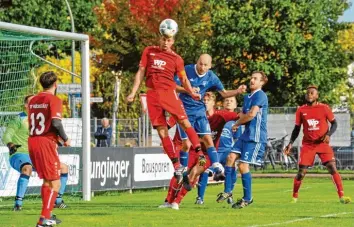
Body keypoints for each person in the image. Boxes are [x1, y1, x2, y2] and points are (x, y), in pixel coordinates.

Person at [126, 20, 202, 183]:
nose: (166, 42)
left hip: (168, 94)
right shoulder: (149, 51)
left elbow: (184, 79)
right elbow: (140, 72)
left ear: (173, 41)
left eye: (169, 40)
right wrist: (133, 92)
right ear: (159, 38)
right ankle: (177, 166)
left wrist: (191, 93)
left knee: (184, 122)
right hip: (152, 95)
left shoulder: (176, 59)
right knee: (162, 132)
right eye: (163, 39)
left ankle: (200, 153)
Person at [159, 92, 239, 209]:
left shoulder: (220, 115)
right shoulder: (193, 114)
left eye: (208, 100)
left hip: (205, 156)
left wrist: (247, 116)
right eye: (203, 100)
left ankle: (177, 202)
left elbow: (240, 116)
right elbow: (168, 124)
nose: (205, 102)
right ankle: (168, 201)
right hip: (191, 151)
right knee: (179, 174)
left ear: (214, 103)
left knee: (195, 172)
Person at [175, 54, 246, 175]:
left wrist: (238, 93)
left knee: (200, 168)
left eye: (205, 65)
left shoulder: (220, 115)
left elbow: (235, 115)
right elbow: (174, 87)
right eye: (200, 64)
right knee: (188, 148)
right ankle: (186, 173)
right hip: (196, 152)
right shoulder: (187, 70)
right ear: (196, 61)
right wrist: (189, 90)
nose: (202, 67)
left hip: (209, 156)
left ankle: (213, 168)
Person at [283, 85, 351, 204]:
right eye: (308, 93)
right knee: (301, 172)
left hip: (322, 144)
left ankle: (341, 196)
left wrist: (328, 134)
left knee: (332, 167)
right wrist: (290, 143)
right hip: (308, 145)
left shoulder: (324, 108)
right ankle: (294, 197)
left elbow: (334, 124)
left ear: (317, 96)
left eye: (312, 93)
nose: (309, 94)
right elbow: (297, 129)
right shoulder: (301, 110)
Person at [3, 95, 69, 211]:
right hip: (19, 154)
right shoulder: (18, 119)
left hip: (37, 155)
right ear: (25, 105)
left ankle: (57, 200)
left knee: (63, 168)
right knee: (27, 168)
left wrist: (58, 140)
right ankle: (18, 203)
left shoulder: (40, 119)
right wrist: (10, 144)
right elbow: (7, 134)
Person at [216, 71, 268, 209]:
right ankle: (227, 191)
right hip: (246, 135)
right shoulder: (247, 97)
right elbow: (244, 114)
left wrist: (237, 123)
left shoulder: (260, 95)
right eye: (251, 78)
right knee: (230, 157)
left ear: (262, 82)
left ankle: (247, 198)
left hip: (255, 137)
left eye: (256, 79)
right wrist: (238, 119)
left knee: (243, 165)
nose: (252, 80)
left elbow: (251, 115)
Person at [28, 71, 71, 227]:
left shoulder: (33, 100)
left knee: (47, 181)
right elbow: (55, 123)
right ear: (55, 84)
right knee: (56, 183)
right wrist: (65, 139)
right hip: (45, 142)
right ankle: (44, 219)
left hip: (33, 141)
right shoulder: (53, 99)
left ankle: (47, 215)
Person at [196, 95, 242, 205]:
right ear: (222, 103)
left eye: (231, 101)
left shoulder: (235, 121)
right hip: (209, 151)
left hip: (226, 151)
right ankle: (199, 198)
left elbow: (237, 139)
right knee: (203, 170)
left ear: (235, 105)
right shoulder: (216, 116)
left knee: (231, 172)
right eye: (226, 100)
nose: (228, 102)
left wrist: (237, 155)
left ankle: (229, 193)